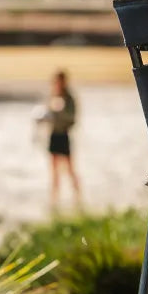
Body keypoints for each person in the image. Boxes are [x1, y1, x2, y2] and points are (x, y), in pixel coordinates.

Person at [40, 70, 81, 210]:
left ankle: (77, 196)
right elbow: (47, 113)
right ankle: (54, 199)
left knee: (69, 169)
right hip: (53, 135)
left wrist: (60, 112)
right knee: (54, 170)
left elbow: (72, 119)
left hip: (63, 135)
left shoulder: (69, 98)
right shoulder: (52, 95)